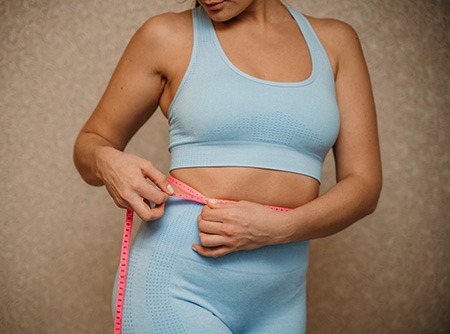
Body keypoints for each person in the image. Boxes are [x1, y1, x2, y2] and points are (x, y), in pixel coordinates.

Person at [73, 0, 382, 332]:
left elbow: (364, 185)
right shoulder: (166, 36)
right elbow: (90, 143)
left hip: (281, 300)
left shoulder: (336, 42)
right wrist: (107, 162)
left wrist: (281, 228)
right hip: (176, 287)